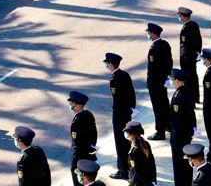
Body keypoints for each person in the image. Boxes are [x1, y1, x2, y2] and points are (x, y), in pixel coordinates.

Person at [105, 52, 136, 180]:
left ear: (112, 64)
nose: (107, 66)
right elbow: (131, 93)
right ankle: (128, 167)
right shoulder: (125, 75)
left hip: (119, 116)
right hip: (126, 114)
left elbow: (117, 100)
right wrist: (131, 109)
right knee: (126, 142)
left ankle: (122, 170)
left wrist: (118, 114)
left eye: (107, 63)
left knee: (120, 143)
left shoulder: (114, 79)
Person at [145, 22, 173, 140]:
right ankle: (168, 125)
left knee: (158, 107)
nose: (148, 35)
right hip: (162, 81)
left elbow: (154, 67)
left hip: (155, 83)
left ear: (153, 34)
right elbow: (169, 63)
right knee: (164, 104)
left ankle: (160, 131)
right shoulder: (165, 44)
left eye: (149, 33)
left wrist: (152, 82)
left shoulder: (155, 47)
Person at [170, 67, 196, 186]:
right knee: (187, 161)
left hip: (179, 135)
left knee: (178, 163)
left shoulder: (178, 97)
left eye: (173, 79)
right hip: (187, 134)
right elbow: (191, 113)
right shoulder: (187, 91)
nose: (172, 81)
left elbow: (178, 119)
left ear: (179, 81)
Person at [67, 91, 98, 185]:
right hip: (89, 153)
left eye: (71, 102)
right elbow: (94, 134)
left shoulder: (77, 121)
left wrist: (75, 160)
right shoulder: (88, 115)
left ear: (75, 104)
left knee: (78, 179)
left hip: (80, 156)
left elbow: (76, 143)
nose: (70, 104)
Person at [178, 6, 202, 104]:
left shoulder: (186, 28)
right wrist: (198, 54)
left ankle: (190, 100)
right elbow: (199, 40)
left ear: (183, 16)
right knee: (194, 77)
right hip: (193, 57)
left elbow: (185, 46)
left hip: (187, 58)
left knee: (187, 80)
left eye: (180, 15)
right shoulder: (194, 25)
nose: (179, 17)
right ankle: (196, 97)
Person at [124, 121, 157, 186]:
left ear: (133, 135)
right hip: (148, 180)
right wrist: (153, 180)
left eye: (128, 133)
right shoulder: (146, 143)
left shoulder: (133, 151)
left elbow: (134, 172)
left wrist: (131, 184)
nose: (127, 135)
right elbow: (152, 163)